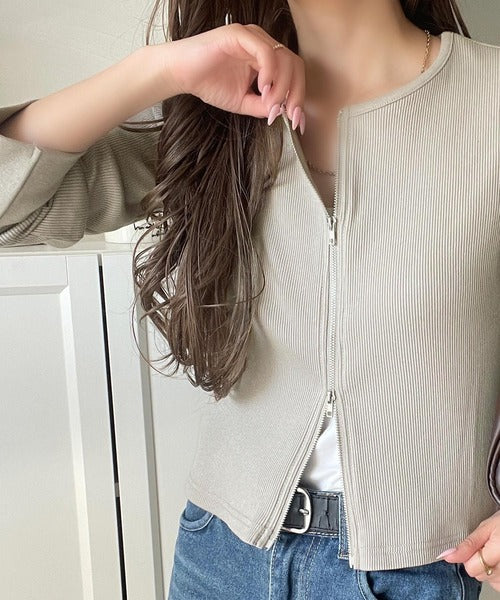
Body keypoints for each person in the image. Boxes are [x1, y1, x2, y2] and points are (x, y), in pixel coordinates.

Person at [1, 1, 499, 598]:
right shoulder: (213, 108)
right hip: (220, 555)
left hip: (414, 566)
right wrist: (158, 70)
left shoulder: (489, 94)